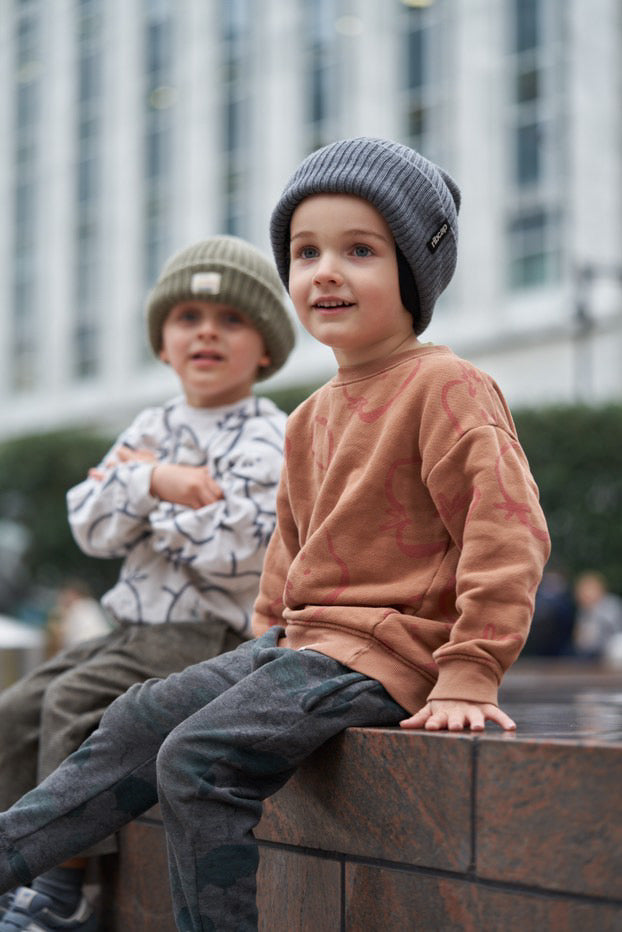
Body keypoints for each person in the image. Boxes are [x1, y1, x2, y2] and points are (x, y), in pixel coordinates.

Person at [0, 138, 550, 932]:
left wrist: (470, 672)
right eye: (306, 251)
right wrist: (256, 646)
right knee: (133, 716)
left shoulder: (448, 386)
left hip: (390, 650)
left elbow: (507, 529)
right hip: (300, 646)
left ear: (415, 271)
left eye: (359, 249)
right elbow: (289, 551)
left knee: (197, 759)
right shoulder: (308, 417)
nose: (325, 270)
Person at [0, 235, 295, 931]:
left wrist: (135, 497)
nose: (207, 334)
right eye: (187, 317)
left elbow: (240, 546)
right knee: (17, 708)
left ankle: (63, 885)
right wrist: (161, 483)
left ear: (266, 350)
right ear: (162, 342)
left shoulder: (269, 432)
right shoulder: (149, 426)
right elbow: (90, 525)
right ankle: (14, 868)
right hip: (131, 628)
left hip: (207, 633)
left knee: (74, 700)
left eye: (231, 320)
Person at [572, 570, 622, 660]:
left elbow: (611, 632)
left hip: (610, 650)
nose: (585, 595)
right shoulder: (583, 611)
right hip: (590, 653)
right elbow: (580, 640)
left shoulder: (611, 605)